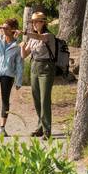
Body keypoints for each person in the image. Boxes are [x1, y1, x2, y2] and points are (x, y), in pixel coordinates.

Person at [21, 11, 56, 139]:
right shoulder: (32, 38)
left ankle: (47, 130)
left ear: (43, 23)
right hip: (34, 67)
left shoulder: (49, 36)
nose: (34, 24)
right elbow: (24, 55)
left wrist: (25, 33)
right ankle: (40, 126)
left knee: (45, 99)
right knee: (36, 98)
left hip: (46, 68)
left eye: (37, 22)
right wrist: (22, 45)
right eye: (33, 22)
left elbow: (42, 38)